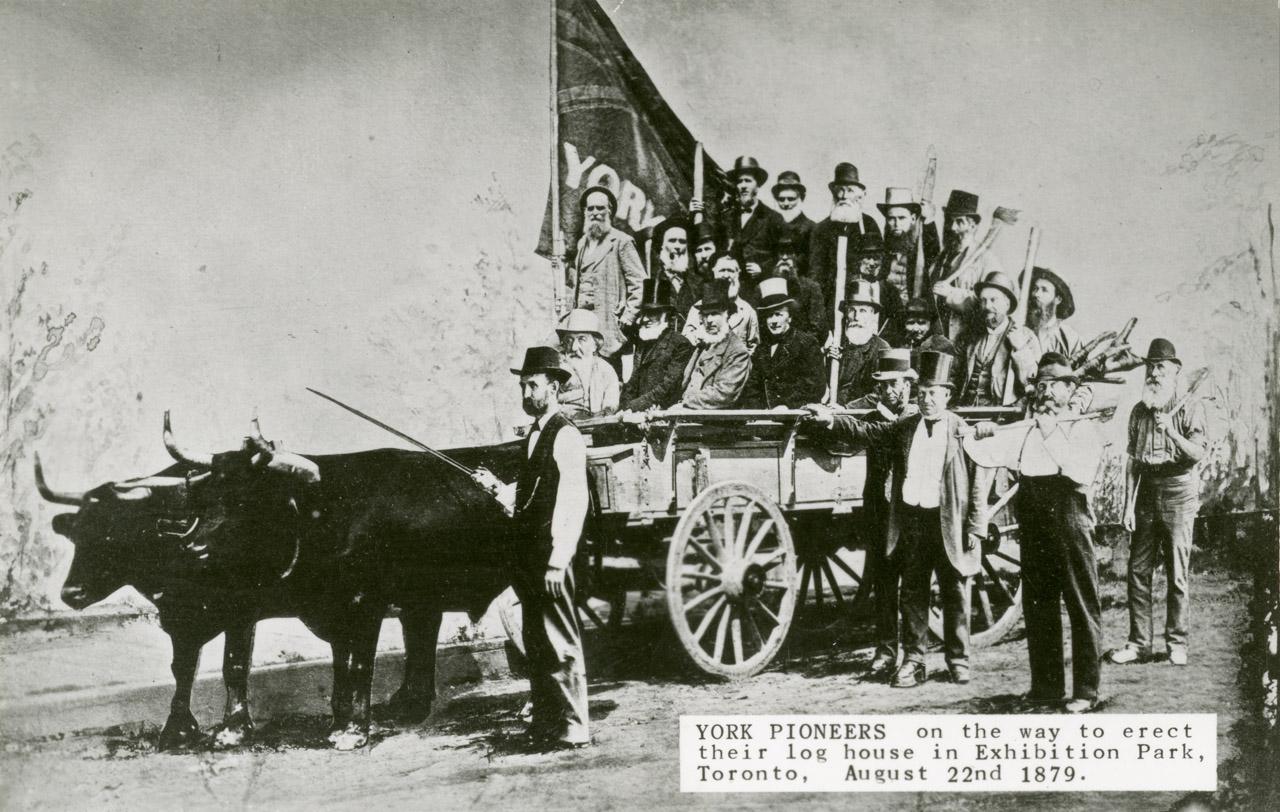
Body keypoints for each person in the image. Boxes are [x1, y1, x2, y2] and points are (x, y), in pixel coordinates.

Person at [804, 351, 986, 687]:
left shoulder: (962, 431)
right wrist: (831, 420)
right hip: (913, 522)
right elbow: (866, 432)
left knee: (954, 590)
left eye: (934, 393)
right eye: (923, 393)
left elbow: (979, 480)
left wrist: (976, 525)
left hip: (948, 522)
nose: (927, 400)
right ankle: (913, 661)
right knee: (913, 592)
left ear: (947, 394)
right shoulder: (904, 427)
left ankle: (958, 660)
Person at [966, 352, 1106, 712]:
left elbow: (1076, 470)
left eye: (1051, 387)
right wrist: (976, 434)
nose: (1043, 393)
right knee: (1039, 603)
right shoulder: (1027, 427)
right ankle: (1046, 688)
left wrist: (1049, 429)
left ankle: (1086, 692)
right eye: (1039, 386)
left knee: (1080, 603)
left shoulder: (1083, 426)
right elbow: (990, 451)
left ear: (1068, 388)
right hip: (1034, 517)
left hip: (1069, 516)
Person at [471, 346, 590, 747]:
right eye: (523, 385)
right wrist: (495, 488)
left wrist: (559, 561)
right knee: (537, 644)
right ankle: (546, 721)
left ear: (554, 387)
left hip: (551, 557)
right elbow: (530, 495)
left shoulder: (566, 435)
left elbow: (573, 500)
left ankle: (575, 727)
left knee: (561, 643)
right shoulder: (534, 435)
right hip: (530, 557)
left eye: (533, 385)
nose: (526, 392)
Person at [1108, 339, 1208, 667]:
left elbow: (1197, 454)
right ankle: (1139, 644)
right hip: (1146, 494)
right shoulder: (1139, 410)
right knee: (1137, 571)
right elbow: (1132, 462)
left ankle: (1176, 643)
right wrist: (1126, 507)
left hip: (1179, 491)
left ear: (1175, 371)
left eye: (1161, 367)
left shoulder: (1190, 405)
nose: (1154, 373)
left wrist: (1173, 434)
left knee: (1178, 573)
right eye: (1150, 367)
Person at [844, 348, 919, 675]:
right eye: (884, 386)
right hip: (878, 507)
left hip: (912, 512)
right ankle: (885, 651)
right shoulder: (875, 417)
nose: (889, 392)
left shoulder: (917, 419)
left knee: (914, 587)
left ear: (908, 385)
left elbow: (874, 433)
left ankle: (913, 655)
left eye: (895, 384)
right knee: (884, 582)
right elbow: (860, 431)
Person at [567, 186, 646, 363]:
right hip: (582, 327)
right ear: (585, 212)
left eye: (600, 208)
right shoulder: (582, 244)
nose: (595, 212)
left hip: (608, 328)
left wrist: (628, 316)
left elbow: (640, 283)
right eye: (590, 208)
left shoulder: (621, 242)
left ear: (609, 210)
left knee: (608, 377)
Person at [692, 155, 781, 298]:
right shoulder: (725, 217)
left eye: (748, 181)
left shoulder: (772, 218)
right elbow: (707, 239)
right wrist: (695, 211)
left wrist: (763, 269)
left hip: (758, 289)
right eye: (739, 182)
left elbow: (781, 257)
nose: (744, 185)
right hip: (728, 287)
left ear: (757, 185)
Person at [925, 189, 1004, 340]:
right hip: (937, 337)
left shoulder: (986, 260)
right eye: (949, 220)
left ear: (973, 225)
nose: (952, 228)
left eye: (959, 222)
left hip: (967, 339)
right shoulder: (942, 258)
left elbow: (994, 303)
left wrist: (952, 293)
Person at [955, 271, 1040, 407]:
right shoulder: (969, 336)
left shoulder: (1026, 337)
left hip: (1002, 416)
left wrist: (1021, 349)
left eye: (993, 300)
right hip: (965, 411)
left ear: (1007, 304)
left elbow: (1032, 385)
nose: (987, 306)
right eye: (983, 300)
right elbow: (953, 375)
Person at [808, 162, 883, 313]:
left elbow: (879, 264)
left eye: (849, 190)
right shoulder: (821, 229)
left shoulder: (869, 225)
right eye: (840, 190)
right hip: (829, 300)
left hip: (860, 299)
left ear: (860, 195)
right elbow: (815, 273)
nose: (843, 196)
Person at [743, 278, 825, 408]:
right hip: (766, 418)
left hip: (797, 415)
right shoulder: (762, 349)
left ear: (790, 317)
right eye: (769, 316)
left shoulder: (806, 343)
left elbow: (815, 386)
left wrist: (787, 406)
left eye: (778, 314)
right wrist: (758, 411)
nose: (773, 321)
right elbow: (753, 387)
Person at [618, 278, 695, 412]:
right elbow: (631, 383)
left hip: (661, 412)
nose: (645, 319)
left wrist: (633, 407)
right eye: (644, 313)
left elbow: (667, 387)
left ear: (666, 315)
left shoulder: (680, 344)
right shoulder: (643, 341)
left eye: (652, 313)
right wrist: (626, 408)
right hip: (636, 413)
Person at [677, 280, 752, 409]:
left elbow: (724, 394)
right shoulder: (702, 346)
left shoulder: (737, 351)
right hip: (688, 417)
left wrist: (685, 405)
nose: (709, 320)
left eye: (715, 314)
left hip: (714, 423)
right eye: (705, 315)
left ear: (727, 315)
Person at [682, 253, 760, 352]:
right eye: (722, 270)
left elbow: (753, 348)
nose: (726, 275)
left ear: (738, 273)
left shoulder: (748, 311)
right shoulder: (697, 308)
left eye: (731, 271)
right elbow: (687, 343)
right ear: (713, 273)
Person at [829, 279, 890, 404]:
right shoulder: (838, 347)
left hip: (863, 416)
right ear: (846, 313)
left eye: (863, 311)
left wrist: (847, 410)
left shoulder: (882, 349)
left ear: (872, 314)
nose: (856, 317)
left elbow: (881, 393)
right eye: (852, 310)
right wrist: (828, 361)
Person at [878, 187, 941, 300]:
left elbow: (933, 250)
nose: (896, 224)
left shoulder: (921, 250)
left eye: (902, 218)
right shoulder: (881, 250)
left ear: (912, 218)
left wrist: (929, 221)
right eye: (891, 218)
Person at [556, 309, 620, 419]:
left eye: (582, 339)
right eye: (569, 340)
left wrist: (606, 411)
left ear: (595, 345)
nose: (574, 348)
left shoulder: (605, 369)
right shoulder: (556, 368)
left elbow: (611, 401)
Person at [774, 235, 827, 339]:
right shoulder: (766, 287)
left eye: (789, 253)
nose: (784, 257)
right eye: (781, 253)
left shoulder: (811, 288)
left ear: (797, 257)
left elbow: (817, 328)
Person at [1026, 266, 1084, 361]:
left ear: (1058, 299)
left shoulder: (1070, 338)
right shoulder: (1020, 331)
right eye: (1035, 288)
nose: (1036, 294)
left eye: (1044, 290)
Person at [899, 296, 957, 379]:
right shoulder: (902, 344)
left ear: (930, 323)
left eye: (922, 323)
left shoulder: (943, 346)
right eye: (911, 323)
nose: (916, 328)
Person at [772, 170, 815, 249]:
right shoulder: (769, 227)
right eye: (781, 199)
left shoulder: (812, 229)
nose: (786, 204)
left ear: (801, 198)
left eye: (791, 199)